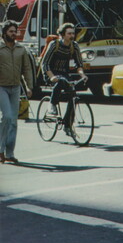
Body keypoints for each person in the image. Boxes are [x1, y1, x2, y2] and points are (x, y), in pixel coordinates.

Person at [0, 20, 34, 164]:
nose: (14, 34)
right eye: (11, 31)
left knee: (13, 121)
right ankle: (0, 149)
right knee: (7, 117)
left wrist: (29, 86)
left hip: (15, 88)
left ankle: (10, 153)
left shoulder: (21, 49)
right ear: (4, 33)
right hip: (1, 87)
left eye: (15, 31)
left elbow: (26, 69)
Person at [41, 23, 87, 129]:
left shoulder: (74, 46)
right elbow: (45, 63)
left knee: (73, 97)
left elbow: (79, 64)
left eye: (73, 33)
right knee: (60, 81)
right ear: (62, 34)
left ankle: (68, 125)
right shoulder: (54, 44)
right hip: (50, 73)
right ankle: (52, 104)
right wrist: (52, 76)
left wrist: (82, 75)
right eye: (69, 33)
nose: (72, 36)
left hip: (64, 74)